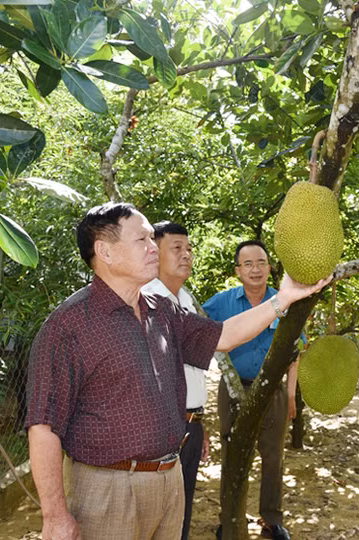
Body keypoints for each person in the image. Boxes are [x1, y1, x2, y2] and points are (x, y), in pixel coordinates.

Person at [25, 203, 329, 540]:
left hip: (170, 481)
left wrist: (282, 299)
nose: (153, 247)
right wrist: (54, 516)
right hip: (106, 489)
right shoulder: (69, 326)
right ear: (105, 252)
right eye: (142, 239)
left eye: (153, 239)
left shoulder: (162, 310)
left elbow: (224, 335)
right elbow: (43, 427)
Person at [203, 240, 299, 540]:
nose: (255, 269)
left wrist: (292, 395)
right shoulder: (221, 303)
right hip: (233, 389)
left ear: (270, 267)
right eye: (248, 264)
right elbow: (194, 327)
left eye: (261, 262)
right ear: (237, 271)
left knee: (273, 457)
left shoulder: (286, 301)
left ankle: (272, 519)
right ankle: (229, 518)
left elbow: (297, 351)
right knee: (232, 454)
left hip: (272, 391)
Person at [141, 220, 209, 540]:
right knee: (155, 519)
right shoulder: (147, 300)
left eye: (189, 248)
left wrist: (197, 425)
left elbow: (191, 372)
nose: (186, 255)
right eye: (177, 248)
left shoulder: (185, 299)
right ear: (155, 253)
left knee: (180, 515)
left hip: (189, 426)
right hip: (161, 429)